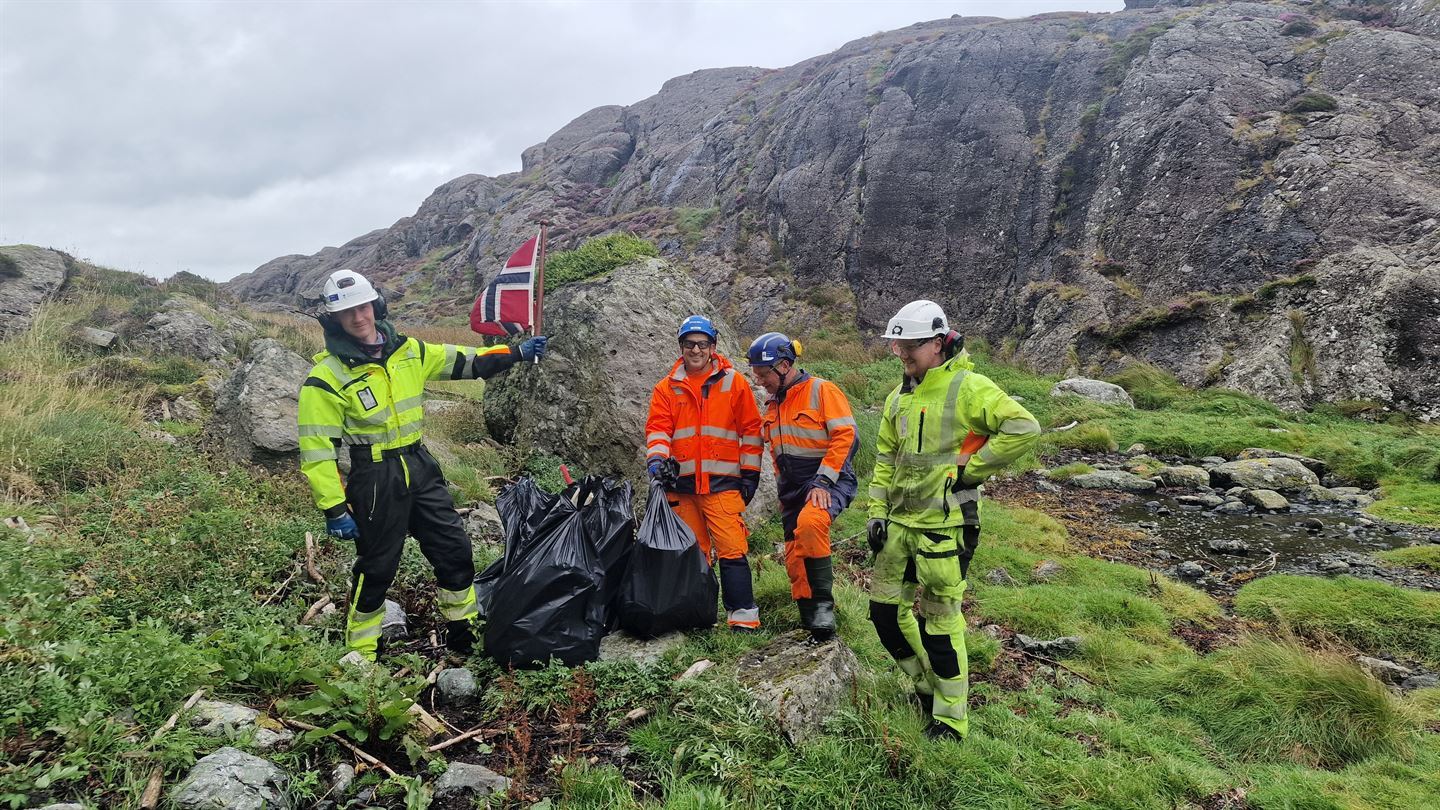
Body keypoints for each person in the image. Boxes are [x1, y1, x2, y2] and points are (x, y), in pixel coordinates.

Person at [296, 269, 547, 662]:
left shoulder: (409, 350)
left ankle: (462, 631)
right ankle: (362, 650)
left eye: (363, 307)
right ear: (335, 319)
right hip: (374, 476)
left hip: (420, 465)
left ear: (375, 306)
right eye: (347, 312)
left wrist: (516, 352)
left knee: (455, 550)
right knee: (377, 567)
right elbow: (316, 451)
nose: (358, 318)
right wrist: (332, 508)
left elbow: (467, 361)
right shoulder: (325, 377)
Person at [867, 299, 1041, 741]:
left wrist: (973, 470)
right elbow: (887, 457)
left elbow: (1023, 426)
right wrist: (876, 512)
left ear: (940, 343)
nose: (902, 355)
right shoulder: (898, 396)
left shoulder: (968, 386)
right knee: (885, 614)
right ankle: (925, 687)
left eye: (912, 347)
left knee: (939, 624)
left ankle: (950, 719)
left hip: (948, 526)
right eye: (897, 347)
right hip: (900, 526)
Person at [644, 315, 764, 631]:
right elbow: (658, 430)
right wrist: (657, 462)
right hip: (681, 488)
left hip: (722, 485)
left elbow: (751, 430)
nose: (695, 350)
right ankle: (698, 619)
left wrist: (750, 474)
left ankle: (742, 620)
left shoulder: (733, 382)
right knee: (693, 555)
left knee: (732, 549)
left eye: (702, 344)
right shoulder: (665, 388)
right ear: (681, 347)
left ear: (712, 346)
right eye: (689, 344)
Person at [746, 332, 857, 642]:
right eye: (757, 375)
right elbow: (778, 454)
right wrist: (784, 494)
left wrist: (824, 480)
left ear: (784, 365)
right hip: (793, 488)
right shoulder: (773, 404)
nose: (760, 381)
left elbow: (845, 436)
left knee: (811, 524)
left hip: (828, 477)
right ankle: (811, 622)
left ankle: (824, 609)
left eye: (764, 374)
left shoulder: (822, 391)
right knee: (795, 555)